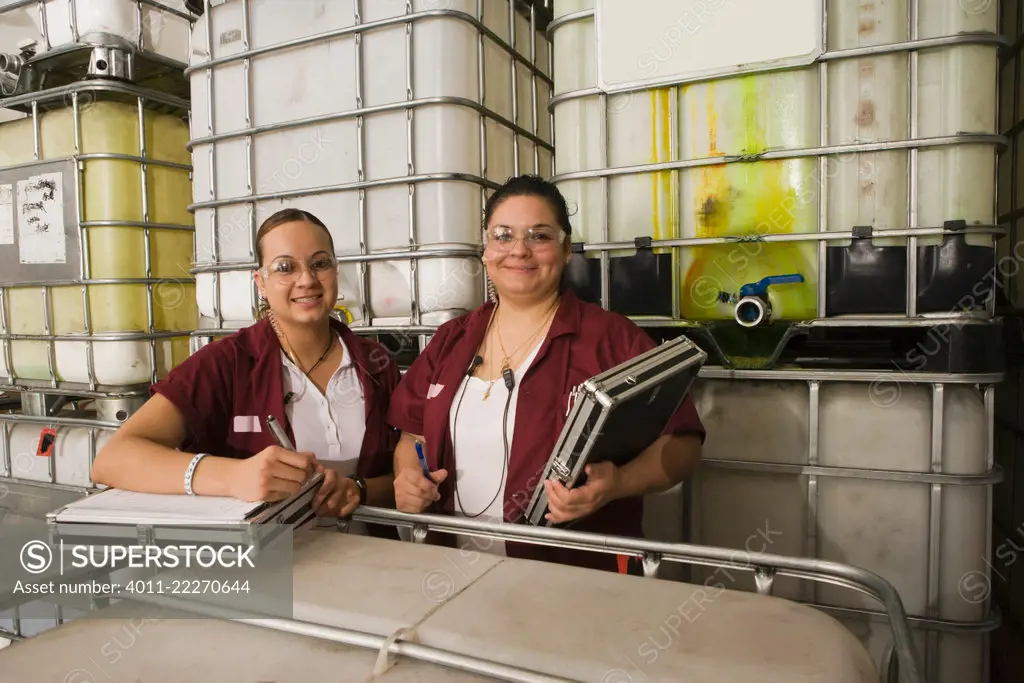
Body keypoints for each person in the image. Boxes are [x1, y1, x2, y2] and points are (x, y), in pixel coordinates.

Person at [387, 174, 705, 572]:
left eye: (539, 236)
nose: (519, 251)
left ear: (566, 248)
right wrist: (407, 475)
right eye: (503, 235)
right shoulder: (451, 339)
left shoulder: (612, 339)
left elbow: (682, 444)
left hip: (571, 578)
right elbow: (412, 433)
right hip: (450, 575)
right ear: (485, 249)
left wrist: (618, 485)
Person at [91, 208, 400, 530]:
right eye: (285, 267)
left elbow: (403, 477)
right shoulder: (225, 363)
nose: (306, 280)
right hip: (264, 563)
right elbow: (113, 460)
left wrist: (357, 490)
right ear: (261, 283)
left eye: (319, 263)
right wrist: (233, 476)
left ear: (336, 271)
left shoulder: (375, 363)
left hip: (368, 559)